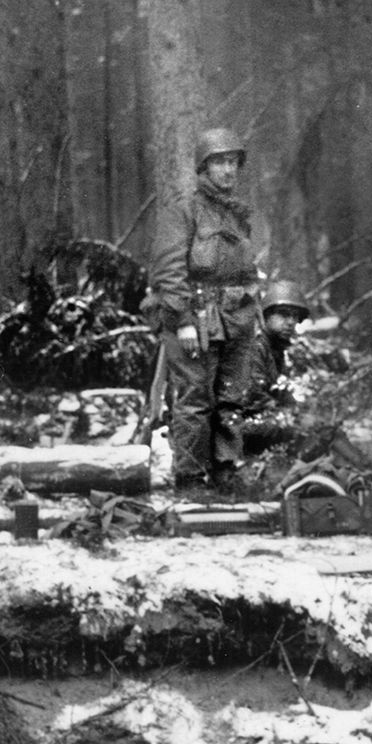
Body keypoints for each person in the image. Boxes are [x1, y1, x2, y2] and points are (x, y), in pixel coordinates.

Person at [148, 127, 269, 488]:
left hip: (237, 320)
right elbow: (168, 271)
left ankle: (225, 472)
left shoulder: (238, 215)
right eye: (219, 163)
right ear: (203, 169)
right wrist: (182, 321)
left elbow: (247, 268)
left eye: (233, 163)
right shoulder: (183, 212)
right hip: (196, 319)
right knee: (194, 400)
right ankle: (188, 478)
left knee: (232, 398)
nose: (228, 171)